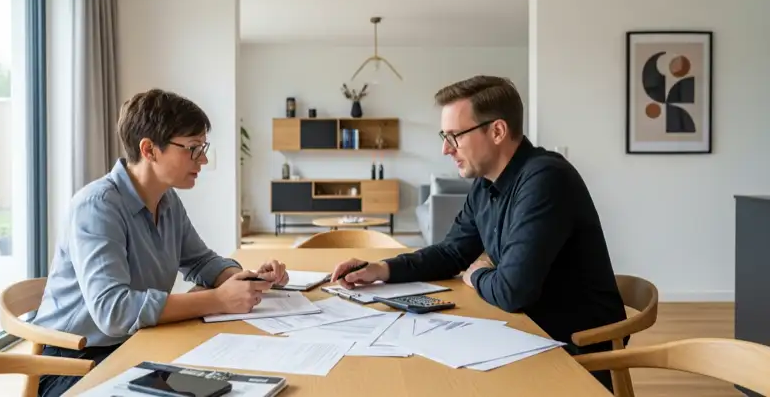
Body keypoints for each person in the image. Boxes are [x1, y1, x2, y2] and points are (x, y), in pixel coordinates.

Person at [330, 75, 626, 391]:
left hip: (571, 346)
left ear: (497, 131)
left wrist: (476, 276)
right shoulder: (484, 185)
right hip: (522, 330)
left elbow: (513, 291)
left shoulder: (546, 179)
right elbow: (451, 252)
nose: (445, 148)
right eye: (444, 136)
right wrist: (382, 269)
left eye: (455, 136)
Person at [33, 88, 289, 397]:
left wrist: (243, 279)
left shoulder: (167, 200)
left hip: (137, 344)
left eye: (203, 147)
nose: (203, 159)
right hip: (74, 365)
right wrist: (219, 300)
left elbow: (200, 260)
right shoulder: (97, 206)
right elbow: (114, 311)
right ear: (150, 150)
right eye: (193, 148)